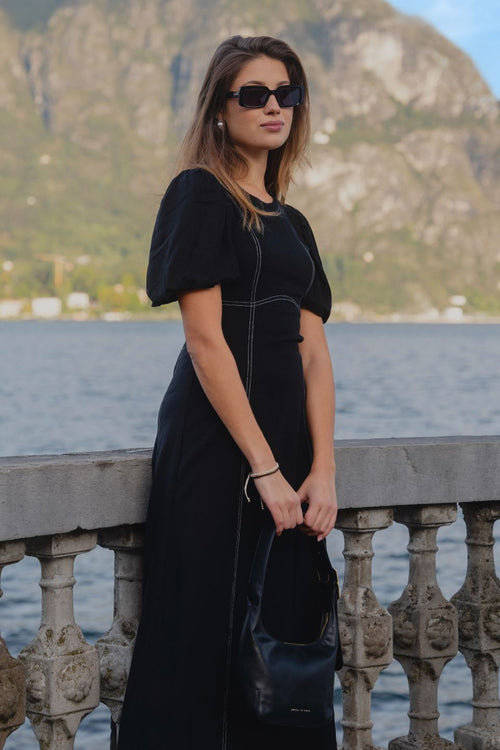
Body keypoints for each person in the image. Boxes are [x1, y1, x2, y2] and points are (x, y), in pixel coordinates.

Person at [117, 34, 338, 750]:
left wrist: (322, 467)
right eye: (255, 94)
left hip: (291, 463)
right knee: (204, 639)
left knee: (283, 643)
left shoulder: (294, 223)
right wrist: (264, 468)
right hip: (218, 454)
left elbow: (315, 351)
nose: (274, 106)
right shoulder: (199, 194)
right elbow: (205, 341)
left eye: (287, 93)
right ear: (220, 108)